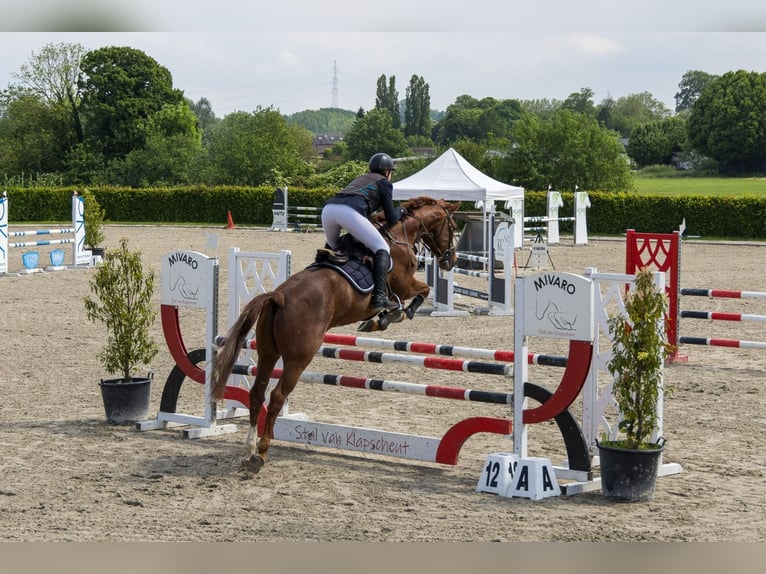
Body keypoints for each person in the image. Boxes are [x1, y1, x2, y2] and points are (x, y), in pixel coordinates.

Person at [319, 152, 405, 313]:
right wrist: (401, 210)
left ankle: (317, 270)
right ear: (387, 172)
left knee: (333, 246)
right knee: (382, 248)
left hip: (328, 210)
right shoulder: (384, 183)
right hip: (348, 212)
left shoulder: (361, 178)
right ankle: (379, 297)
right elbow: (392, 218)